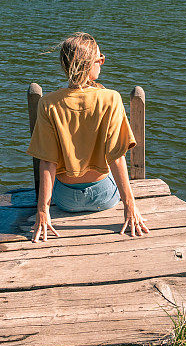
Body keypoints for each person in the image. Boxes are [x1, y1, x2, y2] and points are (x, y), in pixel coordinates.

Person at [26, 32, 150, 243]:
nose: (103, 61)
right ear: (89, 64)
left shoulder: (48, 104)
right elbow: (117, 157)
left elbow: (47, 162)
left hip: (65, 199)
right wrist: (130, 206)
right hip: (104, 196)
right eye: (99, 57)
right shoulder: (111, 98)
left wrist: (43, 212)